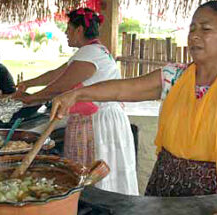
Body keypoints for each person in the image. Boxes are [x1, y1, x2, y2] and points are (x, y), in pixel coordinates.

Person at [50, 1, 217, 197]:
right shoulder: (175, 77)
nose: (194, 35)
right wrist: (76, 94)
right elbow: (122, 89)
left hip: (215, 193)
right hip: (165, 182)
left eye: (205, 29)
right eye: (192, 28)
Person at [15, 8, 139, 195]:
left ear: (79, 30)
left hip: (97, 124)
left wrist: (30, 98)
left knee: (92, 181)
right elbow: (57, 74)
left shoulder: (90, 53)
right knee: (105, 179)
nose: (66, 33)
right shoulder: (94, 51)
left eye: (68, 28)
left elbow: (60, 86)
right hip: (106, 119)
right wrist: (28, 84)